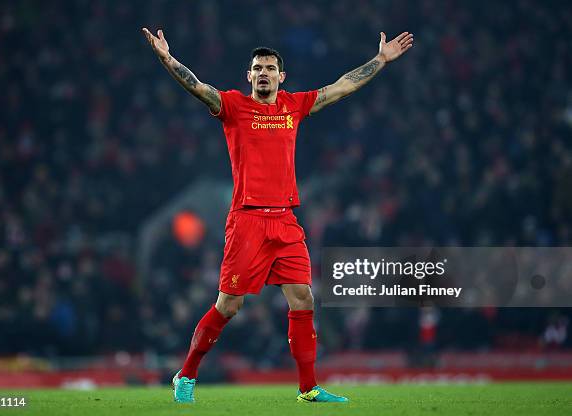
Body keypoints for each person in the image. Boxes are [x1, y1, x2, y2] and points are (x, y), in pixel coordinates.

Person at [142, 26, 413, 403]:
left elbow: (341, 87)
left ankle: (308, 388)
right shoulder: (234, 107)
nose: (264, 72)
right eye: (258, 68)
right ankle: (185, 375)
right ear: (249, 76)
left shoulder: (293, 105)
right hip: (247, 219)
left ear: (281, 76)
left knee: (303, 298)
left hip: (285, 220)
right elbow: (198, 87)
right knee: (229, 305)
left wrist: (381, 60)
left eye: (270, 67)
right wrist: (168, 59)